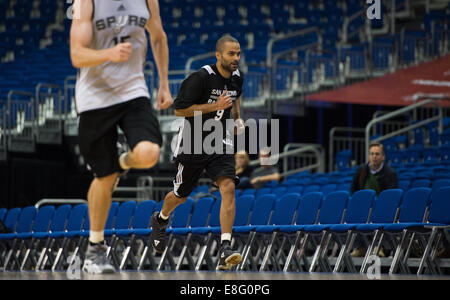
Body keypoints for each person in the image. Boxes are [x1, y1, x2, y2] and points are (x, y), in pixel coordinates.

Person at [70, 0, 172, 274]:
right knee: (103, 177)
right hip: (94, 97)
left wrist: (163, 84)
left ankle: (122, 163)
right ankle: (94, 248)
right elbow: (77, 55)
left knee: (150, 153)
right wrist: (109, 54)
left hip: (133, 91)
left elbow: (158, 36)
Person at [150, 35, 245, 270]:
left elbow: (235, 98)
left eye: (239, 54)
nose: (236, 58)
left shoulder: (237, 78)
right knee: (180, 196)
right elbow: (179, 110)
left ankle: (225, 247)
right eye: (231, 54)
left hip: (220, 140)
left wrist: (237, 118)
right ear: (218, 55)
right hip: (193, 142)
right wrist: (214, 106)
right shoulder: (200, 78)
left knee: (228, 187)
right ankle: (160, 219)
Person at [350, 142, 398, 257]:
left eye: (377, 154)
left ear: (383, 157)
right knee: (356, 212)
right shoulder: (361, 170)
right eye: (372, 154)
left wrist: (378, 203)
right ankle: (360, 247)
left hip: (381, 205)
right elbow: (354, 189)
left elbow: (391, 195)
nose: (374, 156)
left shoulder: (390, 173)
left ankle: (379, 246)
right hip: (364, 205)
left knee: (381, 213)